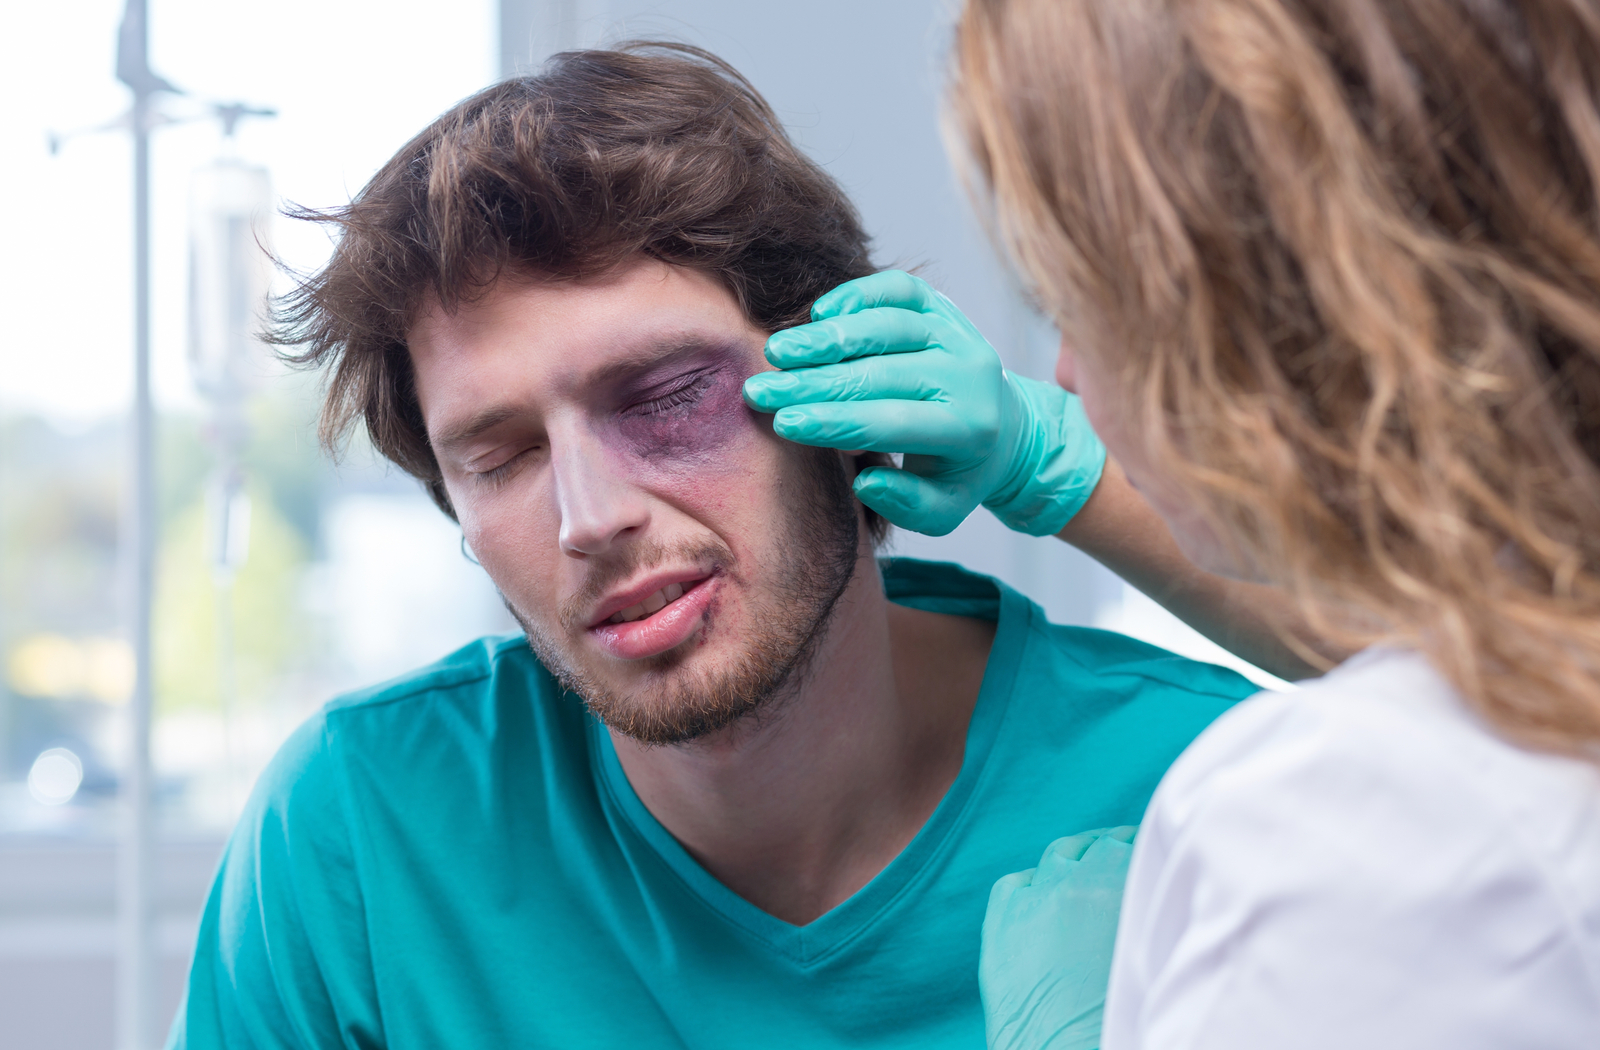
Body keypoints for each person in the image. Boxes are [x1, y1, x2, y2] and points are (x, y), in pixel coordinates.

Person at [166, 43, 1307, 1050]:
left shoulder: (1197, 785)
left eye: (663, 395)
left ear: (853, 387)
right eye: (499, 455)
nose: (588, 516)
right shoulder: (365, 832)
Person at [748, 1, 1600, 1046]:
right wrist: (1042, 466)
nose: (1060, 376)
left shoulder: (1347, 821)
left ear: (1254, 295)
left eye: (1080, 299)